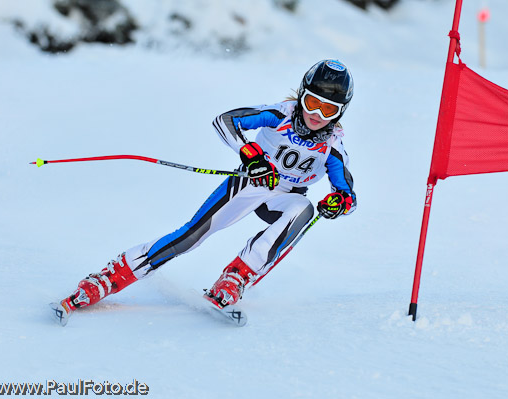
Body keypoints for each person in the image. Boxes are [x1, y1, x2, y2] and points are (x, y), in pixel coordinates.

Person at [51, 59, 357, 325]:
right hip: (250, 184)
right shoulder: (280, 114)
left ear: (340, 112)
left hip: (283, 197)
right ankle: (108, 278)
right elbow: (225, 120)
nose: (317, 114)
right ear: (302, 96)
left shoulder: (333, 146)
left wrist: (337, 202)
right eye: (312, 103)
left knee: (303, 209)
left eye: (329, 109)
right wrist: (251, 154)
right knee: (191, 236)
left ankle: (235, 278)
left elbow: (347, 194)